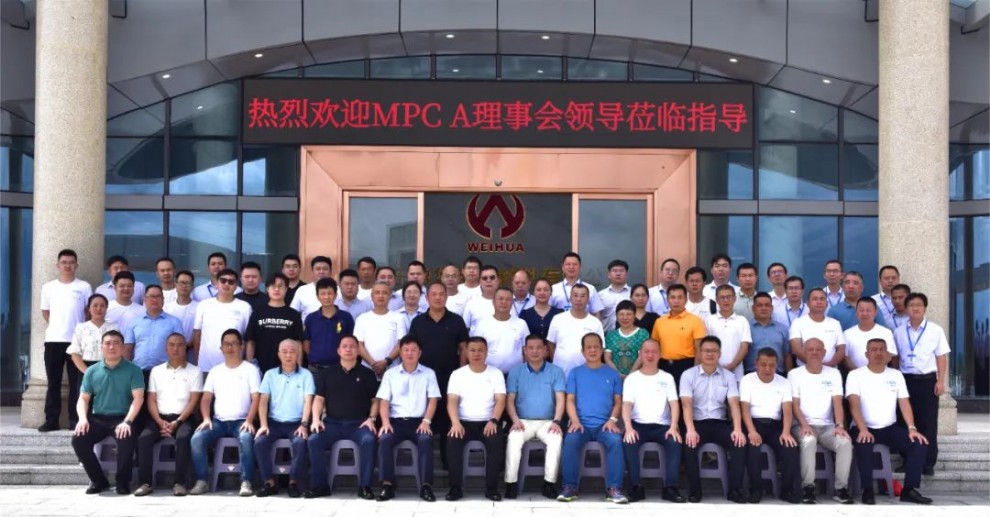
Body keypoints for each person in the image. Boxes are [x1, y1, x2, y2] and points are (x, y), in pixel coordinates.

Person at [846, 339, 932, 505]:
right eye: (874, 350)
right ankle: (867, 490)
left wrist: (912, 428)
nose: (878, 353)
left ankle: (909, 490)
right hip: (863, 427)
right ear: (867, 354)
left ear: (887, 354)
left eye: (882, 349)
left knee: (918, 444)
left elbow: (904, 403)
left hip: (889, 428)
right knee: (863, 444)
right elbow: (853, 405)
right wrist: (862, 429)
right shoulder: (855, 375)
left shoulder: (896, 375)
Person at [70, 330, 144, 495]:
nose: (112, 347)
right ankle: (98, 481)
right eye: (108, 343)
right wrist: (82, 419)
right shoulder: (92, 371)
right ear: (101, 347)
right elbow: (83, 399)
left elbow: (138, 399)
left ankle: (123, 482)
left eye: (116, 343)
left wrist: (127, 422)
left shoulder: (134, 370)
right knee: (78, 440)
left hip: (123, 418)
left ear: (123, 347)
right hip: (98, 419)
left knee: (126, 437)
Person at [305, 335, 379, 499]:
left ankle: (365, 486)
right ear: (338, 351)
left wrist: (371, 418)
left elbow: (375, 401)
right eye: (344, 346)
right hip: (332, 424)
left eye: (352, 346)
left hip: (359, 424)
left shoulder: (367, 374)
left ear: (358, 351)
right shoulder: (327, 373)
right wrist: (316, 419)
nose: (348, 349)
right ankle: (320, 485)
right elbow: (319, 399)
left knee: (368, 440)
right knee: (314, 440)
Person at [189, 329, 261, 497]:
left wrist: (250, 420)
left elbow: (256, 398)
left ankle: (246, 481)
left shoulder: (250, 370)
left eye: (234, 343)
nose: (230, 347)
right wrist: (206, 418)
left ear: (241, 347)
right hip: (218, 422)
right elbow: (206, 399)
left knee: (246, 438)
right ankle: (202, 480)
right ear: (221, 348)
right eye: (226, 344)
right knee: (197, 439)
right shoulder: (215, 371)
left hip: (242, 421)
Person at [557, 333, 627, 504]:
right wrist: (574, 420)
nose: (593, 350)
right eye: (588, 347)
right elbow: (570, 400)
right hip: (581, 424)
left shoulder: (613, 374)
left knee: (615, 441)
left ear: (602, 350)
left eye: (596, 346)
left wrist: (612, 420)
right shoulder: (575, 373)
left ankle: (614, 489)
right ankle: (569, 487)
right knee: (571, 440)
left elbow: (618, 401)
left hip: (605, 425)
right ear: (583, 351)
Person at [680, 335, 747, 504]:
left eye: (714, 351)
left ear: (719, 354)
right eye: (706, 351)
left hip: (720, 423)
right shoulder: (688, 375)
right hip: (696, 423)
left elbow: (734, 404)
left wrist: (737, 429)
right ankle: (694, 491)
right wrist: (690, 430)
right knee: (689, 444)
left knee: (739, 443)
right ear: (700, 352)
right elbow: (686, 405)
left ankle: (735, 490)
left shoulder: (728, 376)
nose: (710, 354)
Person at [134, 332, 202, 496]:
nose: (175, 348)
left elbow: (193, 401)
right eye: (171, 345)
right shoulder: (156, 371)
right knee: (144, 438)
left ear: (185, 348)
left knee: (183, 438)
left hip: (184, 418)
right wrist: (159, 421)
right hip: (159, 418)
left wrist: (177, 422)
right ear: (166, 348)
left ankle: (179, 483)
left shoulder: (195, 371)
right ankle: (145, 483)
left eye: (179, 345)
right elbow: (151, 399)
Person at [374, 336, 441, 503]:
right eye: (406, 350)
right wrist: (385, 422)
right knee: (385, 439)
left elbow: (433, 399)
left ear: (420, 353)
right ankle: (387, 485)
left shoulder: (428, 373)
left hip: (419, 422)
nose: (409, 353)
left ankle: (426, 486)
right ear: (400, 353)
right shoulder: (390, 374)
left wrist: (426, 421)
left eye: (413, 350)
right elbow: (384, 401)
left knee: (425, 439)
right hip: (395, 422)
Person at [788, 338, 854, 505]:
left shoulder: (834, 373)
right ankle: (808, 488)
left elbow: (837, 403)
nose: (814, 352)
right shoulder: (794, 374)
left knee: (845, 442)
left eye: (818, 349)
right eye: (810, 349)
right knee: (809, 441)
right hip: (801, 424)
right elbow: (794, 405)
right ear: (804, 352)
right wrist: (804, 425)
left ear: (824, 352)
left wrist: (840, 425)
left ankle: (840, 489)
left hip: (827, 426)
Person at [406, 282, 469, 452]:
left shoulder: (456, 320)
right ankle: (424, 454)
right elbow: (412, 348)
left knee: (448, 415)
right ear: (426, 298)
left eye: (441, 294)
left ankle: (447, 457)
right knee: (425, 412)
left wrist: (461, 372)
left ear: (446, 297)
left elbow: (463, 347)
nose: (438, 297)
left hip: (450, 375)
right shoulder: (418, 322)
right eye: (433, 294)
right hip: (423, 376)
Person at [892, 292, 950, 476]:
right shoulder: (899, 331)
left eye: (919, 305)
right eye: (911, 305)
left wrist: (941, 381)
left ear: (925, 308)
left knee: (928, 423)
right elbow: (896, 358)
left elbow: (941, 357)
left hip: (927, 381)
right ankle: (907, 460)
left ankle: (927, 462)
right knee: (905, 421)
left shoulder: (935, 330)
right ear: (906, 308)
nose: (915, 308)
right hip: (905, 381)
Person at [621, 339, 685, 503]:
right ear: (640, 354)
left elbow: (674, 404)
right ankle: (635, 487)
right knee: (628, 441)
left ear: (660, 355)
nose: (650, 355)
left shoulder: (667, 377)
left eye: (654, 352)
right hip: (638, 425)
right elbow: (626, 405)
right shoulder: (632, 378)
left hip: (663, 426)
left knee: (675, 442)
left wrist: (673, 427)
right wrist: (628, 427)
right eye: (646, 352)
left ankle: (670, 487)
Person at [445, 337, 507, 501]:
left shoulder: (496, 373)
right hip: (463, 422)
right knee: (452, 441)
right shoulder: (458, 374)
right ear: (466, 352)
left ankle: (492, 488)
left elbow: (501, 399)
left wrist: (494, 420)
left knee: (496, 442)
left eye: (480, 350)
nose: (476, 354)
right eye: (472, 350)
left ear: (486, 352)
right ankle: (455, 487)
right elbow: (452, 400)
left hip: (488, 422)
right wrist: (455, 422)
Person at [503, 335, 565, 500]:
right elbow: (510, 400)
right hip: (523, 421)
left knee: (556, 439)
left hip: (548, 422)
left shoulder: (556, 371)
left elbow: (560, 399)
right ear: (525, 350)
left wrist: (557, 421)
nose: (534, 351)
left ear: (545, 350)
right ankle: (511, 483)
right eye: (530, 348)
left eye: (539, 348)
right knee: (514, 439)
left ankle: (549, 484)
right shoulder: (516, 372)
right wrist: (515, 420)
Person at [41, 250, 95, 433]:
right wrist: (58, 326)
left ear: (76, 265)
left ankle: (75, 419)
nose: (67, 265)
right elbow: (45, 312)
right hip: (54, 340)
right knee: (53, 383)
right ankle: (51, 420)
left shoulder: (84, 287)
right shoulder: (48, 287)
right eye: (64, 262)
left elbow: (88, 312)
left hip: (77, 342)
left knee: (76, 383)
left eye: (71, 262)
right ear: (57, 265)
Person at [738, 348, 801, 504]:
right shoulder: (747, 380)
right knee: (753, 449)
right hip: (754, 423)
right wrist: (751, 431)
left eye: (772, 365)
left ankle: (786, 490)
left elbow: (787, 410)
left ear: (777, 365)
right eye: (763, 364)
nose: (767, 368)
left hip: (775, 426)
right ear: (756, 364)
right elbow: (744, 409)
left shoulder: (784, 382)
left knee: (790, 448)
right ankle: (756, 489)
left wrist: (786, 432)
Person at [254, 339, 315, 498]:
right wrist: (263, 424)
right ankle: (269, 482)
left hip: (296, 423)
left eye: (292, 351)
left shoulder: (306, 375)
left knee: (300, 442)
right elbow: (263, 401)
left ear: (298, 353)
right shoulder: (270, 374)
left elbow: (308, 401)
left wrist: (304, 424)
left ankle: (293, 482)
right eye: (285, 352)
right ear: (279, 354)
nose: (288, 355)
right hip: (274, 423)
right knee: (260, 442)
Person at [192, 269, 252, 374]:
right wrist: (198, 362)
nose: (226, 284)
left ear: (236, 286)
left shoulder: (245, 307)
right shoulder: (203, 305)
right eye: (223, 280)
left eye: (231, 282)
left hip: (235, 368)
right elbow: (197, 335)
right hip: (206, 367)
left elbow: (247, 339)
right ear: (217, 284)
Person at [245, 273, 305, 375]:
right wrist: (249, 367)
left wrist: (299, 369)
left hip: (287, 369)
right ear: (267, 289)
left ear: (286, 289)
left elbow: (298, 343)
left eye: (280, 286)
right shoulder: (258, 313)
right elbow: (251, 341)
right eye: (273, 286)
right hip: (261, 368)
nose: (276, 289)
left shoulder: (294, 315)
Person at [651, 284, 706, 386]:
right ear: (667, 300)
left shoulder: (696, 321)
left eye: (680, 297)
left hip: (686, 366)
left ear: (686, 300)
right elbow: (655, 347)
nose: (676, 301)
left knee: (684, 395)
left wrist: (695, 372)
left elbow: (699, 349)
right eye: (672, 297)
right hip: (663, 366)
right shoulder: (659, 322)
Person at [547, 283, 605, 377]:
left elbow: (600, 348)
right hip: (561, 374)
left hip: (587, 375)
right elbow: (551, 344)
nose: (578, 299)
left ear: (588, 299)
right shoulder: (557, 319)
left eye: (583, 296)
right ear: (570, 298)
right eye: (575, 295)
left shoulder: (595, 322)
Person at [124, 284, 184, 376]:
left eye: (158, 296)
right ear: (145, 300)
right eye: (151, 296)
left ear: (163, 300)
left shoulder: (174, 322)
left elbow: (180, 348)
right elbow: (128, 349)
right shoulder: (134, 322)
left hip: (166, 373)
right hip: (138, 372)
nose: (155, 300)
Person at [355, 282, 408, 378]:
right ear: (372, 296)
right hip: (367, 370)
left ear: (390, 296)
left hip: (392, 370)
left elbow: (401, 343)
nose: (381, 296)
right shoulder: (362, 318)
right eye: (377, 292)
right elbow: (359, 344)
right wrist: (373, 364)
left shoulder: (398, 318)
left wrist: (386, 361)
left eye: (384, 293)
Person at [303, 278, 355, 372]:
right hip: (315, 369)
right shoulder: (311, 318)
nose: (326, 297)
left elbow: (351, 342)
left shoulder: (346, 317)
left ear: (335, 295)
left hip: (339, 369)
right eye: (323, 294)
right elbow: (306, 344)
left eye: (330, 293)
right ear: (317, 296)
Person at [473, 287, 530, 374]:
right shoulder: (483, 324)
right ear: (493, 302)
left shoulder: (521, 324)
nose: (504, 302)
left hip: (516, 374)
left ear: (512, 303)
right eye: (500, 299)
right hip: (489, 374)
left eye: (508, 299)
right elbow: (477, 350)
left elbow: (526, 350)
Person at [788, 288, 846, 368]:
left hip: (830, 369)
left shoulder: (835, 323)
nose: (819, 302)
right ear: (808, 303)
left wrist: (829, 365)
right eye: (815, 299)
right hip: (805, 370)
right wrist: (815, 365)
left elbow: (841, 349)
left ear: (827, 304)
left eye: (822, 299)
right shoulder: (797, 323)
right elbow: (796, 349)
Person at [705, 284, 751, 381]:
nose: (726, 300)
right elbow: (706, 347)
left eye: (729, 297)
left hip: (736, 373)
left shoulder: (742, 321)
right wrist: (717, 366)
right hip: (714, 371)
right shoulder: (709, 320)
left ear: (734, 299)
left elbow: (744, 348)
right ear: (717, 300)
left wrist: (732, 366)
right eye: (722, 297)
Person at [67, 294, 118, 378]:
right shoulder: (81, 328)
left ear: (106, 308)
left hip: (109, 370)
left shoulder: (113, 328)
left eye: (102, 306)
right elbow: (75, 354)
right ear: (89, 308)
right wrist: (88, 372)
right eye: (95, 305)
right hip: (85, 370)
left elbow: (118, 352)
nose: (99, 309)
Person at [843, 297, 897, 370]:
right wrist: (857, 372)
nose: (865, 313)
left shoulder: (886, 332)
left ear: (875, 312)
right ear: (856, 312)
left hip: (880, 373)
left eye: (868, 310)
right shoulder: (847, 334)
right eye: (861, 310)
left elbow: (890, 355)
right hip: (856, 374)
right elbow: (845, 358)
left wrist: (874, 371)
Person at [745, 292, 791, 374]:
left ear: (772, 308)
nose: (764, 308)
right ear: (753, 308)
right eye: (760, 305)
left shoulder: (783, 329)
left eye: (767, 305)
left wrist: (789, 375)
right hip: (751, 374)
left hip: (778, 374)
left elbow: (787, 355)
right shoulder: (746, 328)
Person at [604, 300, 647, 377]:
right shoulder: (611, 335)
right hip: (615, 377)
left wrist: (630, 376)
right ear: (616, 316)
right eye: (621, 314)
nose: (625, 317)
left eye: (628, 314)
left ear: (634, 316)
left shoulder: (642, 334)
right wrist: (618, 375)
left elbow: (641, 357)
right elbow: (607, 357)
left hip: (637, 377)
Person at [163, 270, 198, 353]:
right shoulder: (166, 307)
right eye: (181, 282)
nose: (184, 286)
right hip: (171, 351)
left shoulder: (199, 307)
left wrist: (187, 345)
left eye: (188, 283)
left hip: (191, 351)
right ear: (175, 284)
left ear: (193, 286)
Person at [289, 255, 333, 321]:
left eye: (325, 269)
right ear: (312, 271)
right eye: (318, 269)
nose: (321, 272)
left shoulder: (338, 291)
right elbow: (292, 314)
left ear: (330, 271)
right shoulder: (302, 290)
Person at [462, 264, 501, 333]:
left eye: (492, 277)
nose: (488, 280)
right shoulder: (471, 304)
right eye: (484, 278)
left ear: (498, 281)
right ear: (480, 282)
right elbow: (465, 329)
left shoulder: (508, 302)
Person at [106, 271, 145, 335]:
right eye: (122, 286)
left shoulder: (142, 310)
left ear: (133, 288)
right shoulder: (107, 308)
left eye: (129, 286)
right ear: (115, 288)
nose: (126, 289)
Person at [598, 259, 631, 332]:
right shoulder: (601, 295)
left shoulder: (633, 294)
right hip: (606, 334)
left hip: (628, 335)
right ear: (609, 274)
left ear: (626, 274)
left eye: (621, 271)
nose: (618, 274)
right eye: (614, 271)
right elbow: (597, 316)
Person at [872, 265, 901, 330]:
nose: (890, 281)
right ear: (880, 280)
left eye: (893, 278)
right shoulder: (872, 301)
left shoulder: (907, 299)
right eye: (887, 278)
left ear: (898, 279)